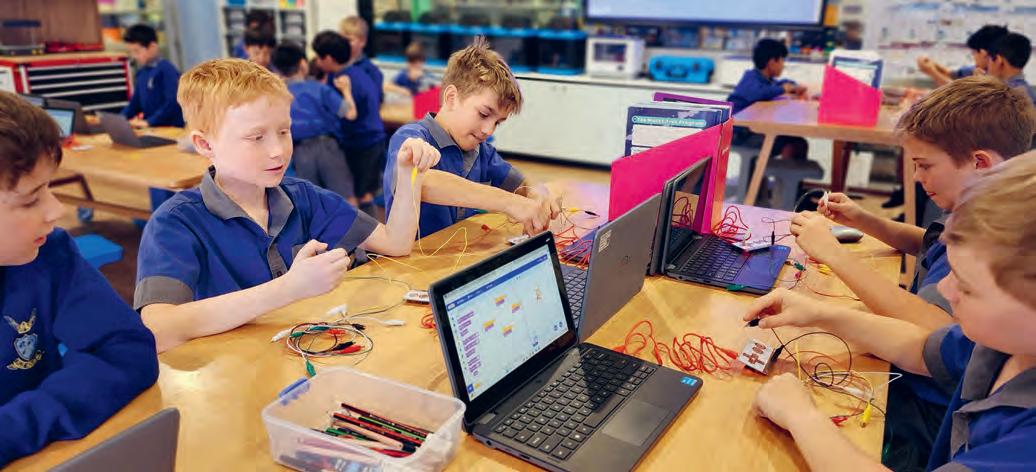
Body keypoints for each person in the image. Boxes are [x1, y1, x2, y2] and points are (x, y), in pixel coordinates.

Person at [747, 151, 1036, 471]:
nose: (944, 289)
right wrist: (818, 314)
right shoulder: (1006, 344)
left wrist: (802, 417)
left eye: (967, 286)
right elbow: (919, 348)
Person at [133, 59, 440, 353]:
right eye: (256, 138)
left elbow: (396, 242)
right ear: (205, 144)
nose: (278, 151)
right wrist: (289, 288)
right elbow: (158, 329)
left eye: (284, 131)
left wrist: (408, 173)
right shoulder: (175, 223)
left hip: (305, 357)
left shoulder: (303, 197)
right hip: (234, 374)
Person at [0, 92, 158, 466]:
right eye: (30, 199)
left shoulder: (48, 253)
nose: (56, 209)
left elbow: (127, 348)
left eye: (48, 188)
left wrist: (16, 428)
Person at [383, 37, 558, 237]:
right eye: (483, 114)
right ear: (451, 98)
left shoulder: (481, 152)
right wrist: (508, 202)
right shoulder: (410, 138)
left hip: (457, 252)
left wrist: (537, 190)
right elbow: (419, 182)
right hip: (413, 256)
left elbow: (519, 182)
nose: (489, 130)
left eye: (497, 122)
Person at [272, 42, 358, 205]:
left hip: (298, 151)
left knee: (311, 202)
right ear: (303, 64)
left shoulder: (275, 96)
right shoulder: (318, 89)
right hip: (328, 147)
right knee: (346, 199)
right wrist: (346, 90)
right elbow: (350, 113)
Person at [311, 31, 386, 215]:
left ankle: (370, 231)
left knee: (361, 195)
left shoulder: (341, 81)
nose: (317, 62)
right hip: (369, 140)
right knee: (361, 192)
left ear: (328, 58)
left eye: (319, 57)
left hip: (362, 144)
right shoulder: (356, 72)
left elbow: (343, 113)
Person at [728, 38, 809, 161]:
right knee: (793, 145)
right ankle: (776, 173)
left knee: (799, 143)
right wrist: (783, 89)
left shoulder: (765, 79)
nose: (783, 65)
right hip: (738, 134)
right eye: (782, 61)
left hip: (751, 130)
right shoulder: (750, 78)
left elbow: (779, 84)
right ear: (772, 62)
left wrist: (792, 86)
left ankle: (778, 173)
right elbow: (758, 93)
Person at [120, 24, 184, 128]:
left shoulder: (166, 69)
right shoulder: (142, 73)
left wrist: (150, 121)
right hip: (152, 128)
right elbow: (135, 103)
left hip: (170, 128)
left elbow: (173, 101)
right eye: (131, 52)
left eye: (137, 51)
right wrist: (120, 119)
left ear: (152, 47)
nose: (134, 56)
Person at [916, 25, 1009, 86]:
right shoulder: (979, 69)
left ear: (983, 53)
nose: (973, 56)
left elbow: (959, 95)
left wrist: (932, 72)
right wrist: (932, 64)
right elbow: (952, 75)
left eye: (974, 53)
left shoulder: (1004, 83)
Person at [339, 16, 384, 103]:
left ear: (362, 41)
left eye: (349, 40)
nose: (344, 43)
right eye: (341, 39)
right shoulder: (334, 66)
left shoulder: (371, 72)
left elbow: (374, 101)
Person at [986, 32, 1036, 104]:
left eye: (989, 60)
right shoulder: (1028, 91)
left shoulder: (1003, 95)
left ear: (998, 60)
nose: (988, 66)